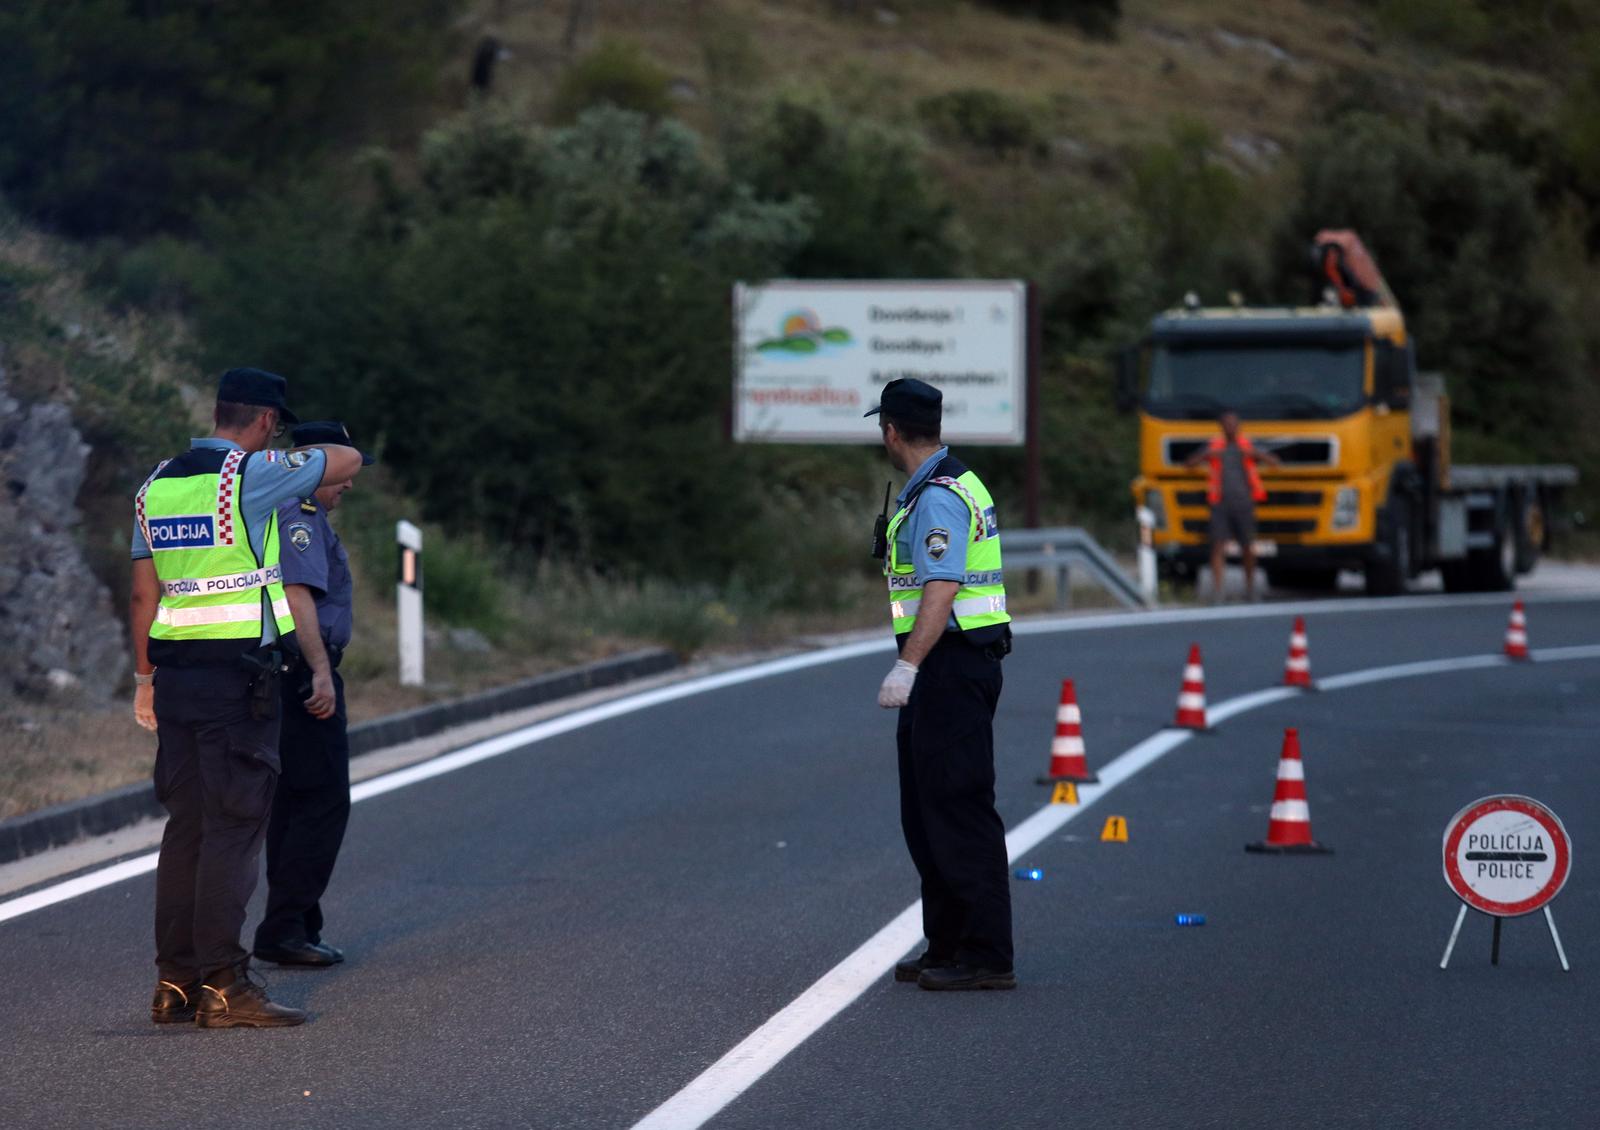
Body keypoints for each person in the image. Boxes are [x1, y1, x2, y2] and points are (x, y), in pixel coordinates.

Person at [130, 368, 364, 1028]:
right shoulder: (250, 477)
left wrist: (143, 682)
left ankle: (175, 982)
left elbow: (145, 594)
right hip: (238, 683)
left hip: (175, 681)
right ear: (265, 420)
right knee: (232, 832)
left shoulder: (155, 486)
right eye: (275, 427)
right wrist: (293, 454)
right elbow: (345, 460)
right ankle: (226, 985)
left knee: (187, 831)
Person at [868, 378, 1015, 992]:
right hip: (943, 666)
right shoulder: (940, 485)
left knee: (957, 807)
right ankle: (948, 942)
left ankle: (986, 954)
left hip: (951, 664)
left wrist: (909, 664)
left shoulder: (939, 496)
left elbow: (942, 586)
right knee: (927, 811)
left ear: (891, 431)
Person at [253, 421, 373, 969]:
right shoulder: (297, 513)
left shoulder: (293, 511)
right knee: (321, 800)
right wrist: (320, 671)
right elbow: (296, 593)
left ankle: (296, 924)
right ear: (312, 467)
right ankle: (286, 927)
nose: (347, 482)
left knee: (294, 800)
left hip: (288, 669)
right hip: (303, 670)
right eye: (340, 472)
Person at [1184, 410, 1281, 602]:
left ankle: (1250, 589)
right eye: (1227, 424)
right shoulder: (1213, 445)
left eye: (1233, 424)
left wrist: (1254, 454)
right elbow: (1188, 464)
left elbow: (1275, 462)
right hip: (1220, 502)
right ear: (1221, 427)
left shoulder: (1248, 445)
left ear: (1238, 426)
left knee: (1248, 546)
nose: (1230, 427)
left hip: (1244, 502)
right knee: (1218, 546)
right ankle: (1218, 592)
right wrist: (1207, 455)